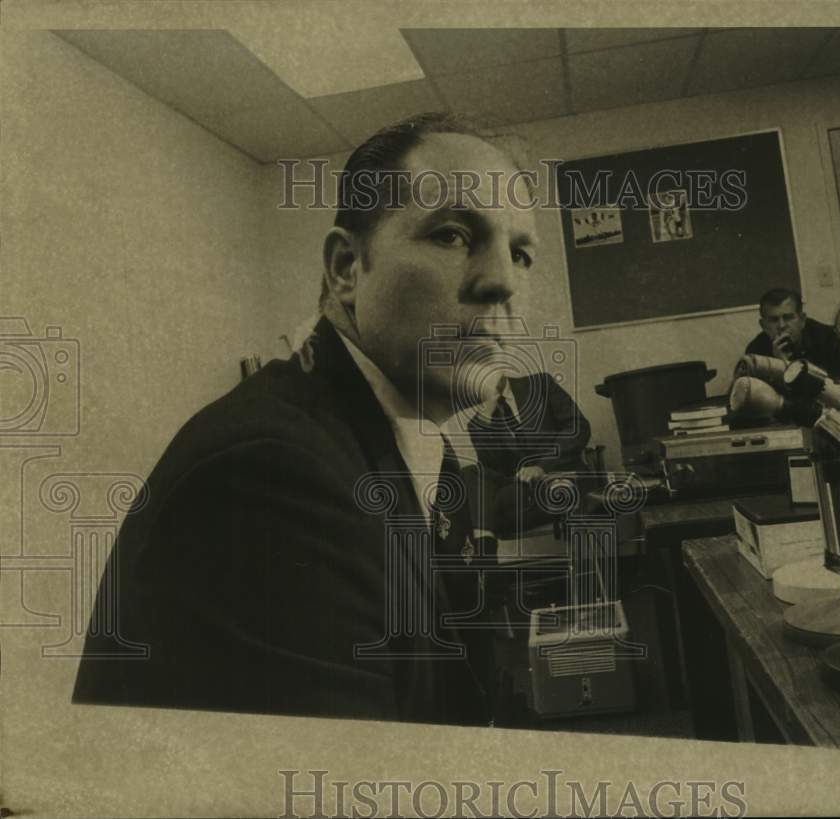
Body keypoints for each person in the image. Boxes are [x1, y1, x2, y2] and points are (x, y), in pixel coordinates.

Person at [72, 112, 540, 726]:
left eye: (521, 253)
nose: (501, 281)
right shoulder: (274, 475)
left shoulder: (414, 446)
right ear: (347, 269)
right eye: (452, 236)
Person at [466, 371, 592, 534]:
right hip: (518, 494)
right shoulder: (479, 422)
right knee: (469, 473)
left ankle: (483, 540)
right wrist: (484, 421)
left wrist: (542, 467)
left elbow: (578, 428)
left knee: (477, 509)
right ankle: (485, 538)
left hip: (556, 482)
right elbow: (493, 469)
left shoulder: (540, 384)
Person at [744, 287, 840, 379]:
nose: (781, 326)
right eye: (773, 320)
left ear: (802, 320)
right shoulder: (755, 353)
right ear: (764, 326)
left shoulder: (828, 338)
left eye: (788, 318)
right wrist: (779, 366)